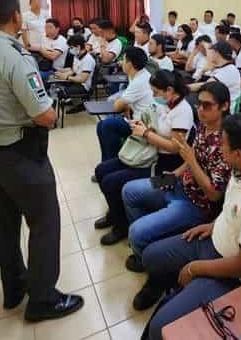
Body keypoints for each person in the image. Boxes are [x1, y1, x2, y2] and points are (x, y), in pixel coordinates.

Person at [0, 0, 83, 322]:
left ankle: (13, 289)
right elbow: (45, 116)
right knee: (44, 223)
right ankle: (42, 300)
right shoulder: (15, 56)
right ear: (16, 17)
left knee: (5, 224)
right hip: (20, 155)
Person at [140, 113, 241, 339]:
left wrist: (195, 267)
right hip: (216, 238)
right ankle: (174, 292)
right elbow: (232, 205)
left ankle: (180, 296)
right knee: (151, 256)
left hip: (237, 277)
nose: (219, 147)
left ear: (238, 154)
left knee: (160, 328)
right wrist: (213, 225)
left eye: (223, 144)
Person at [123, 81, 231, 280]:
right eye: (198, 104)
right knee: (130, 190)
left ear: (224, 106)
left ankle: (149, 263)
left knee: (137, 231)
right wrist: (173, 176)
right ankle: (148, 244)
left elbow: (214, 194)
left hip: (196, 204)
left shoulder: (227, 142)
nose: (200, 110)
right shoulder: (203, 127)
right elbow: (191, 162)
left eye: (207, 106)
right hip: (179, 184)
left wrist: (190, 160)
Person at [95, 70, 193, 245]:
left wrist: (146, 133)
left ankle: (122, 226)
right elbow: (156, 127)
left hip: (165, 169)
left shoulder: (183, 111)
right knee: (102, 170)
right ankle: (116, 213)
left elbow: (175, 148)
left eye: (156, 92)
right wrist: (142, 125)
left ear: (169, 90)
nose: (154, 96)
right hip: (149, 154)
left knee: (112, 182)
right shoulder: (166, 104)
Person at [91, 47, 154, 183]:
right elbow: (126, 104)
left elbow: (117, 105)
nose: (121, 63)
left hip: (143, 124)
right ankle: (107, 164)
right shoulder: (139, 75)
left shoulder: (139, 81)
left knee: (108, 125)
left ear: (130, 63)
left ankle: (112, 165)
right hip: (135, 118)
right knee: (102, 125)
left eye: (123, 60)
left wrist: (125, 106)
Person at [190, 41, 241, 113]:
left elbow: (205, 86)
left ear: (217, 53)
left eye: (212, 52)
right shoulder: (219, 67)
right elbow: (197, 79)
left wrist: (185, 88)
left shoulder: (229, 70)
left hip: (223, 110)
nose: (210, 54)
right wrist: (202, 72)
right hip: (214, 100)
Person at [51, 35, 97, 113]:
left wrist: (67, 77)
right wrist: (62, 73)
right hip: (75, 81)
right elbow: (74, 70)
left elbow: (82, 79)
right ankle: (66, 102)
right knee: (54, 84)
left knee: (58, 91)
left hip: (83, 86)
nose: (70, 50)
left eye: (71, 47)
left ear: (78, 47)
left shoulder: (88, 60)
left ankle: (54, 113)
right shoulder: (77, 56)